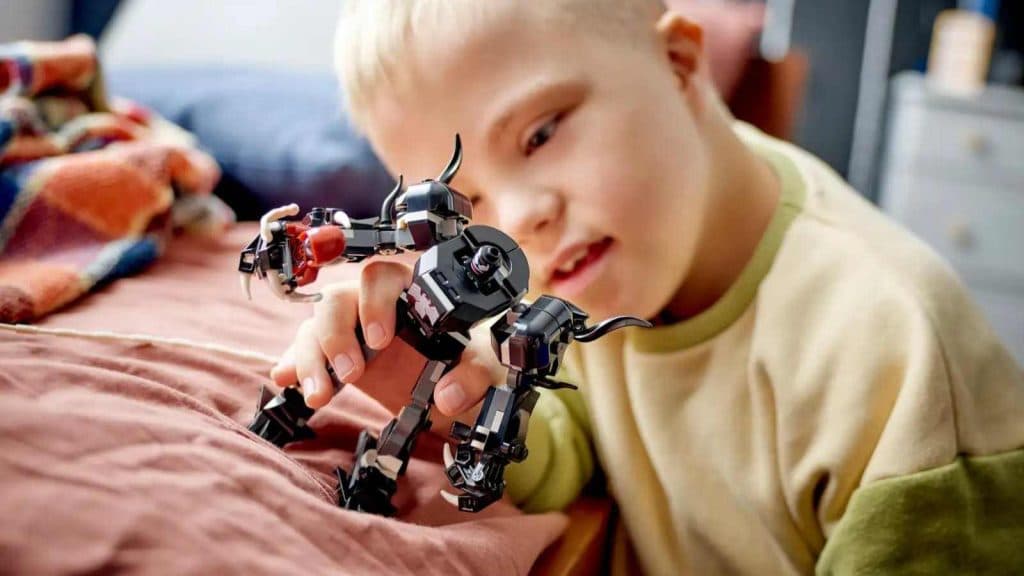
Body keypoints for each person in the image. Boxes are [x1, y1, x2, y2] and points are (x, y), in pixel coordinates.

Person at [270, 1, 1024, 573]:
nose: (523, 222)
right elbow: (566, 447)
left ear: (678, 66)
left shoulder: (896, 366)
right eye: (472, 206)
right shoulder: (594, 261)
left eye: (540, 134)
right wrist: (412, 372)